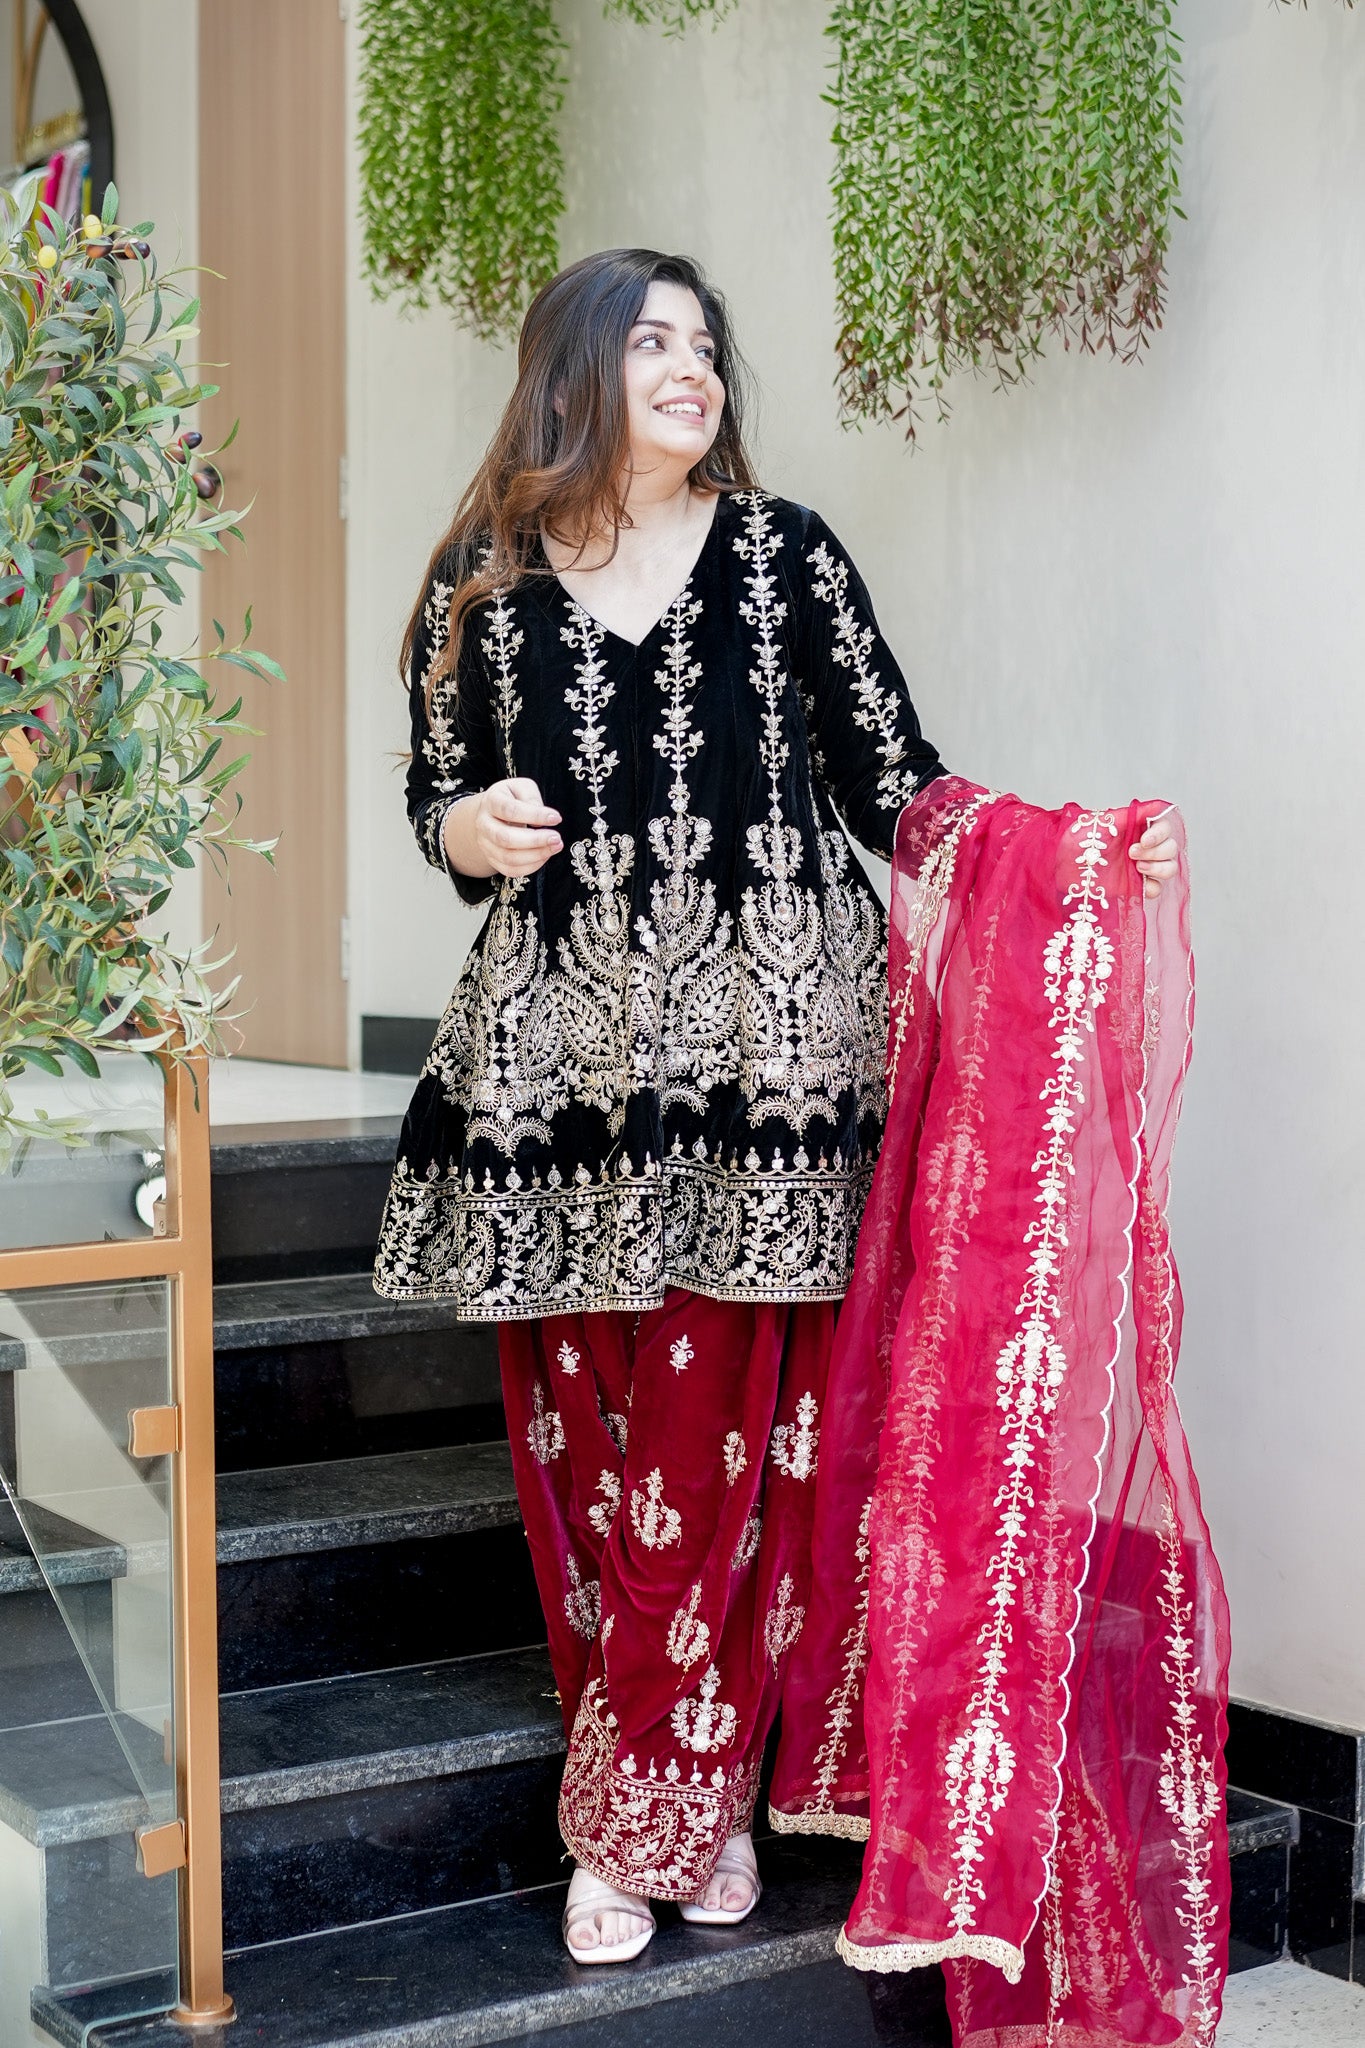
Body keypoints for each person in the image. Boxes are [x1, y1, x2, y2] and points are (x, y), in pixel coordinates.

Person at [373, 247, 1179, 1966]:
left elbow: (897, 784)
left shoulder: (783, 556)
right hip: (557, 1080)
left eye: (707, 346)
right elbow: (437, 794)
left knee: (723, 1452)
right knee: (587, 1453)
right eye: (652, 341)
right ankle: (666, 1794)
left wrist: (1071, 857)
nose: (693, 368)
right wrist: (464, 829)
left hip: (775, 1071)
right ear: (573, 373)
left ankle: (656, 1819)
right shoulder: (478, 580)